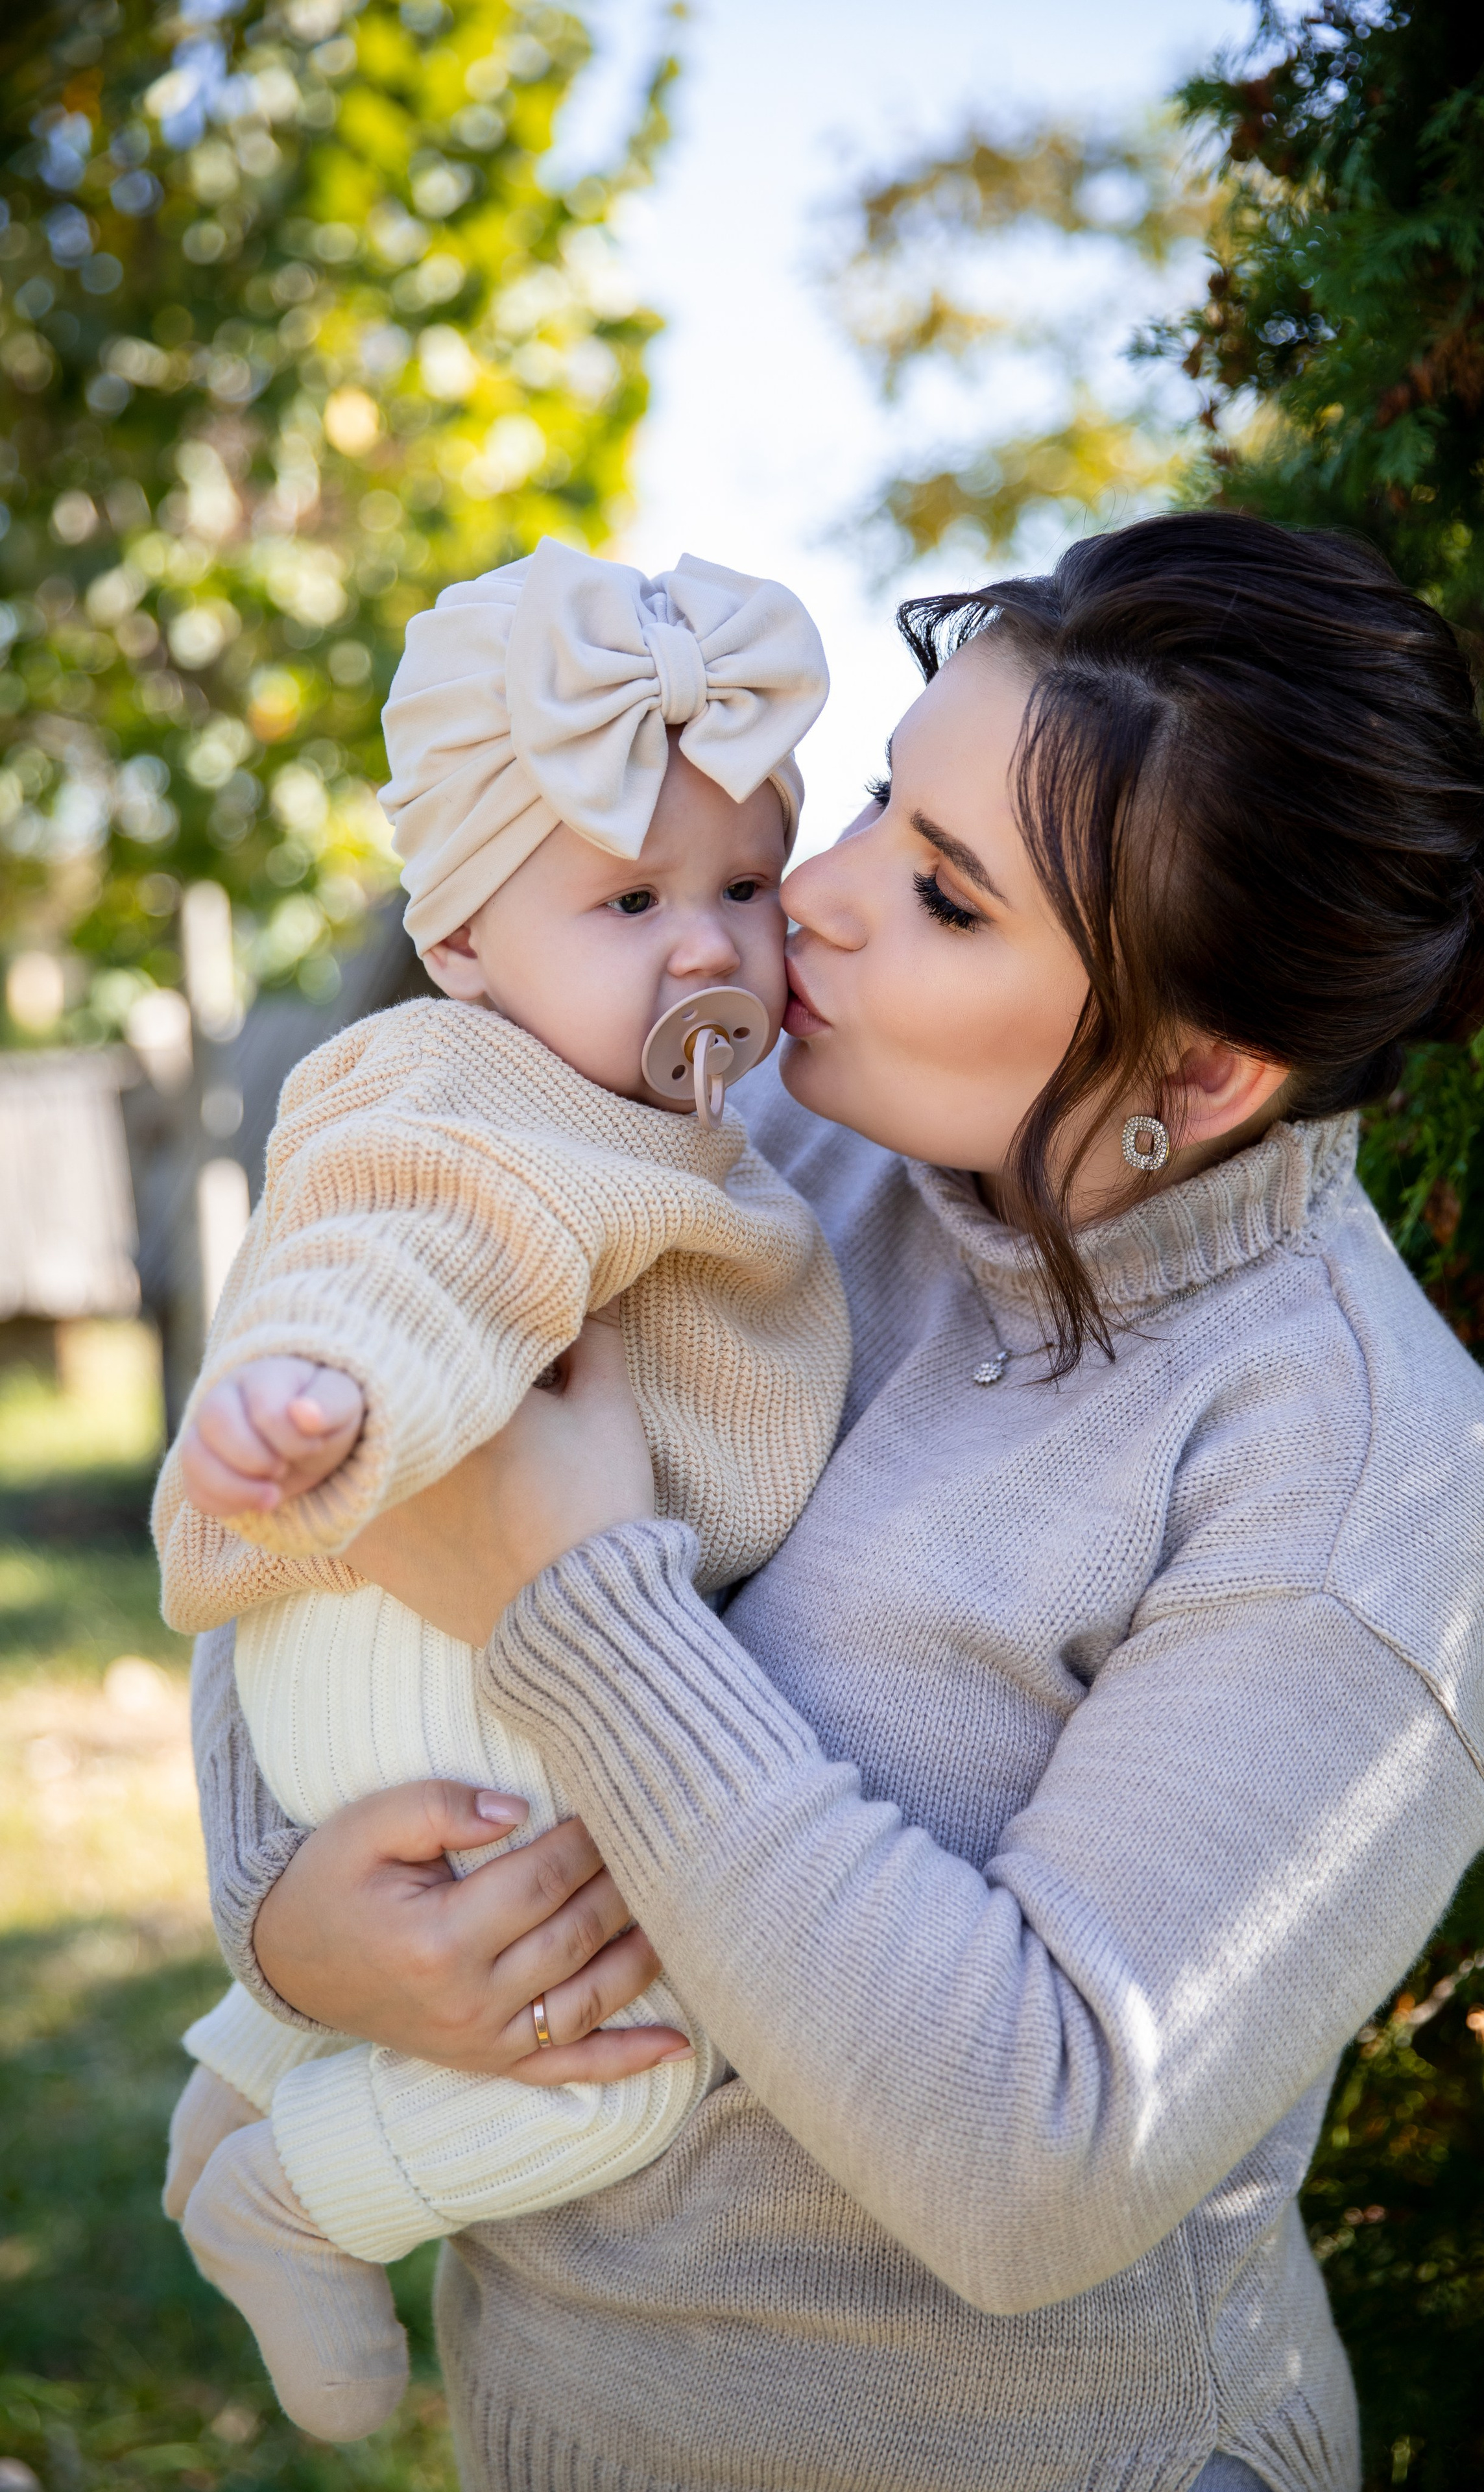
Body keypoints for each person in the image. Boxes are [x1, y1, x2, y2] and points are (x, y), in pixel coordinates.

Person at [187, 513, 1484, 2492]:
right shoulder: (748, 1160)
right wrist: (291, 1921)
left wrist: (584, 1612)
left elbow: (1037, 2160)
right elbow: (336, 1474)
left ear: (1207, 1066)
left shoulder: (1360, 1489)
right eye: (879, 801)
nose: (799, 904)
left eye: (940, 893)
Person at [151, 539, 848, 2441]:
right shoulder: (463, 1089)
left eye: (744, 886)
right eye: (627, 897)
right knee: (632, 2038)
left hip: (428, 1655)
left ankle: (234, 2088)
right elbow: (394, 1233)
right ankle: (299, 2191)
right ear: (462, 938)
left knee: (446, 1938)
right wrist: (320, 1383)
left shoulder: (655, 1115)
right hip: (434, 1630)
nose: (706, 945)